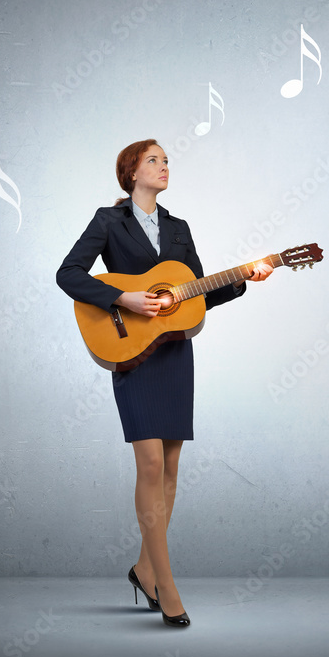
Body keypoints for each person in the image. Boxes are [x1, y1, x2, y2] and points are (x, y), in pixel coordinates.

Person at [56, 138, 272, 627]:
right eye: (153, 160)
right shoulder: (108, 221)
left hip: (173, 353)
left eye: (167, 160)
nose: (164, 166)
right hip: (131, 351)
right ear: (132, 172)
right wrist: (123, 299)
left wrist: (243, 280)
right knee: (150, 462)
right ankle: (167, 587)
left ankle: (144, 569)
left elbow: (197, 294)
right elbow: (68, 274)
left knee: (171, 465)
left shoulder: (179, 228)